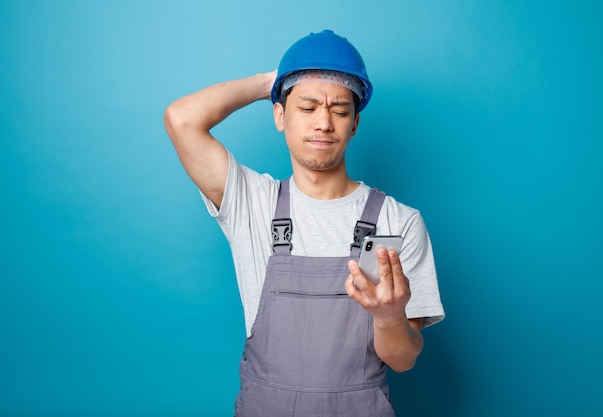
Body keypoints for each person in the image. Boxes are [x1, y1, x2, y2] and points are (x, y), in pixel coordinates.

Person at [164, 29, 444, 417]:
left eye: (340, 110)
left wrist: (389, 316)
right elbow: (181, 119)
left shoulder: (393, 222)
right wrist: (275, 81)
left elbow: (403, 360)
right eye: (308, 107)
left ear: (355, 124)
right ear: (280, 115)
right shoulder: (253, 203)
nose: (324, 123)